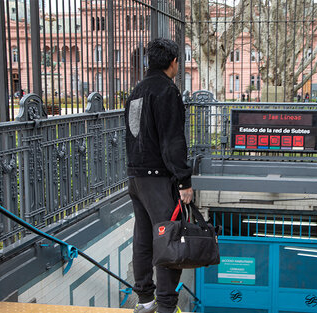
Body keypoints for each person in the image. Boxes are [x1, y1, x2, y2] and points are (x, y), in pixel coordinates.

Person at [124, 38, 193, 313]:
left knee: (143, 237)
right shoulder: (167, 91)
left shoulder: (136, 91)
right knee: (169, 237)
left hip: (136, 177)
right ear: (173, 62)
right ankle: (165, 305)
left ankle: (145, 299)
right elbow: (172, 141)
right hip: (158, 178)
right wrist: (184, 180)